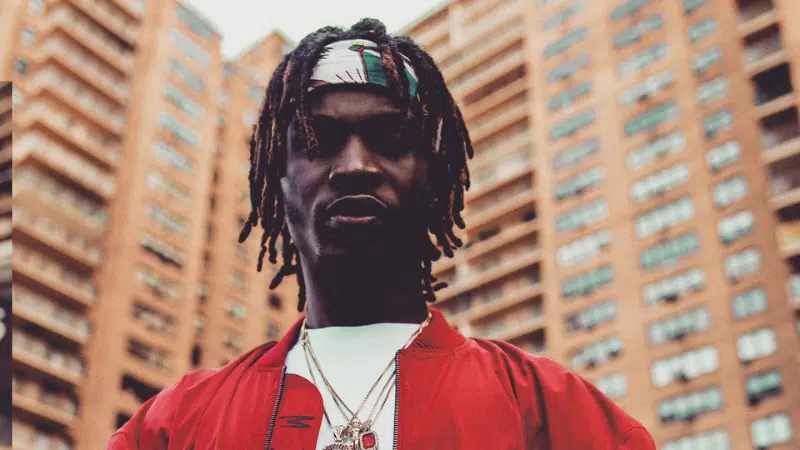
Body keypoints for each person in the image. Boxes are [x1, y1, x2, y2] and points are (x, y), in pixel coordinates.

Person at [108, 19, 656, 450]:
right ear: (275, 184)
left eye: (391, 137)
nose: (354, 166)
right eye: (317, 139)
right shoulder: (176, 425)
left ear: (436, 176)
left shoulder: (551, 411)